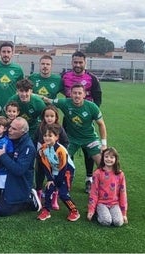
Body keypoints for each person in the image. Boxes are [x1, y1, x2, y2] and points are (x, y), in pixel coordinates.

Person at [43, 83, 107, 187]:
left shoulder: (92, 107)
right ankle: (61, 182)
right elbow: (47, 100)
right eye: (74, 93)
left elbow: (101, 124)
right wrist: (30, 94)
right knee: (59, 160)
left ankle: (106, 186)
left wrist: (104, 144)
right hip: (71, 139)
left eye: (79, 93)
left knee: (101, 162)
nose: (77, 95)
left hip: (90, 138)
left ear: (84, 94)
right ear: (70, 94)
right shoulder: (65, 103)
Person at [0, 117, 42, 216]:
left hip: (19, 179)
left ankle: (28, 198)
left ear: (22, 132)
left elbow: (19, 170)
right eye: (10, 127)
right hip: (6, 172)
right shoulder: (10, 138)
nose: (9, 130)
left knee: (2, 211)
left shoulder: (28, 147)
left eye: (14, 129)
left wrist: (2, 155)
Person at [62, 51, 102, 193]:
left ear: (85, 62)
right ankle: (67, 177)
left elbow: (98, 99)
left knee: (88, 150)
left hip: (85, 121)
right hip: (69, 120)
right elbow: (59, 94)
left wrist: (89, 114)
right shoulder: (65, 76)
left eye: (80, 62)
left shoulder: (92, 78)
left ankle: (89, 179)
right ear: (72, 62)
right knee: (67, 149)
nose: (78, 65)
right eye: (75, 62)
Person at [36, 123, 80, 222]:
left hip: (66, 171)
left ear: (56, 137)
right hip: (55, 172)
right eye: (45, 135)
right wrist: (50, 179)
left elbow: (63, 167)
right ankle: (46, 210)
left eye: (50, 136)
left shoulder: (61, 150)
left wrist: (57, 183)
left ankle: (74, 211)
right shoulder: (43, 149)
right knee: (48, 188)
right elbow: (45, 166)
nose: (47, 138)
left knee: (63, 193)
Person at [33, 105, 68, 210]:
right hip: (41, 158)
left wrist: (60, 153)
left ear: (56, 117)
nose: (49, 118)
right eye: (47, 116)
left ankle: (54, 198)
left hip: (54, 160)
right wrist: (37, 151)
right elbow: (34, 140)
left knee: (55, 177)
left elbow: (66, 142)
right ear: (43, 117)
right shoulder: (40, 127)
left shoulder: (59, 128)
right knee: (39, 174)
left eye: (52, 116)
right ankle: (38, 194)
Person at [87, 147, 128, 226]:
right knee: (106, 221)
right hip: (101, 203)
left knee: (118, 222)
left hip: (114, 203)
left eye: (112, 157)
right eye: (106, 157)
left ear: (116, 159)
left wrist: (124, 213)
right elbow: (93, 192)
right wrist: (91, 210)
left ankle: (108, 213)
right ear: (103, 158)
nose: (109, 159)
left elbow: (123, 193)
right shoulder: (98, 173)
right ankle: (97, 212)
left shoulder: (120, 174)